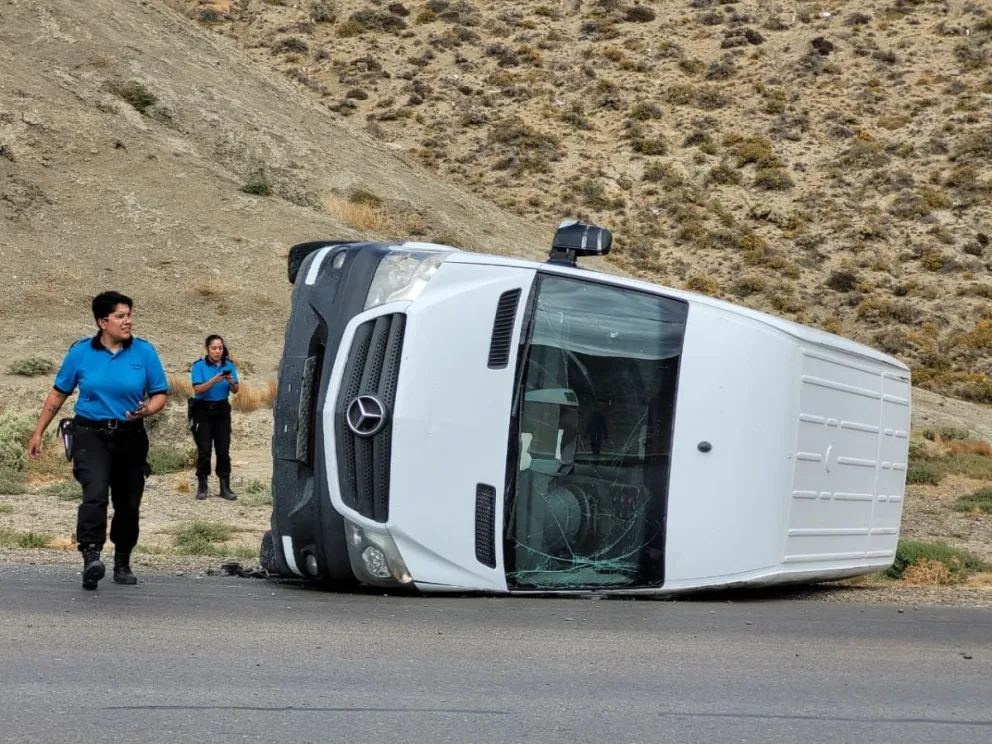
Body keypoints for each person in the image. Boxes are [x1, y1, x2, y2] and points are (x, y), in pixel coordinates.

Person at [27, 291, 169, 590]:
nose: (127, 321)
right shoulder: (80, 353)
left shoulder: (144, 352)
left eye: (129, 314)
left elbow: (159, 394)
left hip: (130, 435)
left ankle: (122, 561)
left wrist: (149, 408)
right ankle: (91, 556)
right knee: (95, 493)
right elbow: (58, 393)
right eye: (120, 316)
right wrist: (39, 432)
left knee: (128, 503)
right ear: (102, 322)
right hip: (90, 433)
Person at [189, 334, 240, 501]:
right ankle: (202, 485)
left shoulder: (229, 365)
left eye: (220, 348)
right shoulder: (199, 366)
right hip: (202, 411)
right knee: (204, 450)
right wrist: (213, 381)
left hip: (222, 410)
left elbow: (235, 390)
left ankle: (225, 486)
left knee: (223, 449)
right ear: (207, 349)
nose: (218, 351)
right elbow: (198, 389)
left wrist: (232, 382)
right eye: (214, 348)